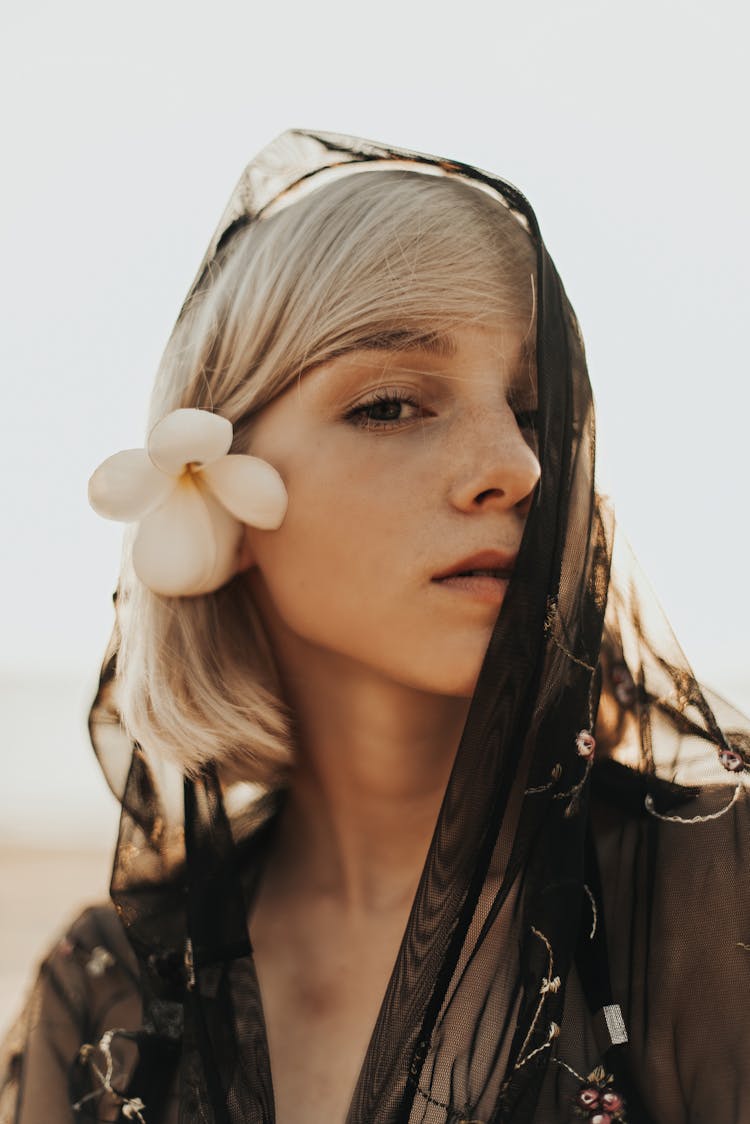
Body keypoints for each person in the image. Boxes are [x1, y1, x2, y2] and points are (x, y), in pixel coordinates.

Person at [1, 129, 749, 1124]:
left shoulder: (714, 897)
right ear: (221, 496)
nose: (516, 468)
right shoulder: (104, 997)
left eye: (536, 410)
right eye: (393, 403)